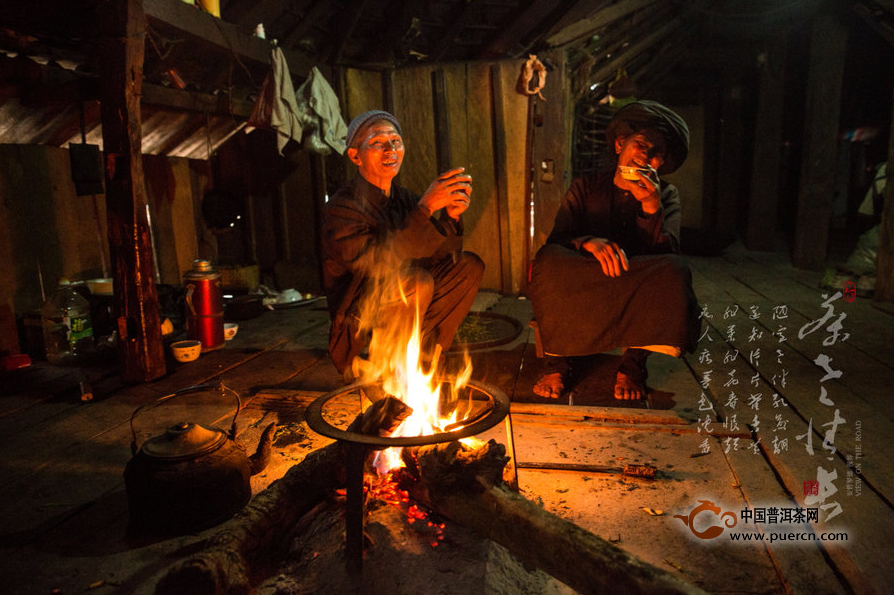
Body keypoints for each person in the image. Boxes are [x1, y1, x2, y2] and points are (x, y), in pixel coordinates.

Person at [528, 100, 700, 401]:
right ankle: (558, 362)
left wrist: (650, 206)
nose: (645, 156)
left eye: (656, 153)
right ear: (620, 145)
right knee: (548, 261)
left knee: (674, 270)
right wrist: (587, 242)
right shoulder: (586, 186)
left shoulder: (666, 195)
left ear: (661, 164)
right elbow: (558, 238)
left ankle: (632, 366)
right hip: (586, 277)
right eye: (641, 145)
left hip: (633, 278)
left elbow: (667, 252)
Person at [321, 110, 484, 379]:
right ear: (355, 156)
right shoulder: (342, 208)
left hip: (409, 314)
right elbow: (378, 265)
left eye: (395, 141)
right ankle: (385, 370)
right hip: (360, 328)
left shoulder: (404, 198)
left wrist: (451, 216)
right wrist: (425, 208)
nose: (390, 150)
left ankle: (426, 358)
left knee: (467, 267)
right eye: (377, 143)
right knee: (415, 282)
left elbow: (441, 257)